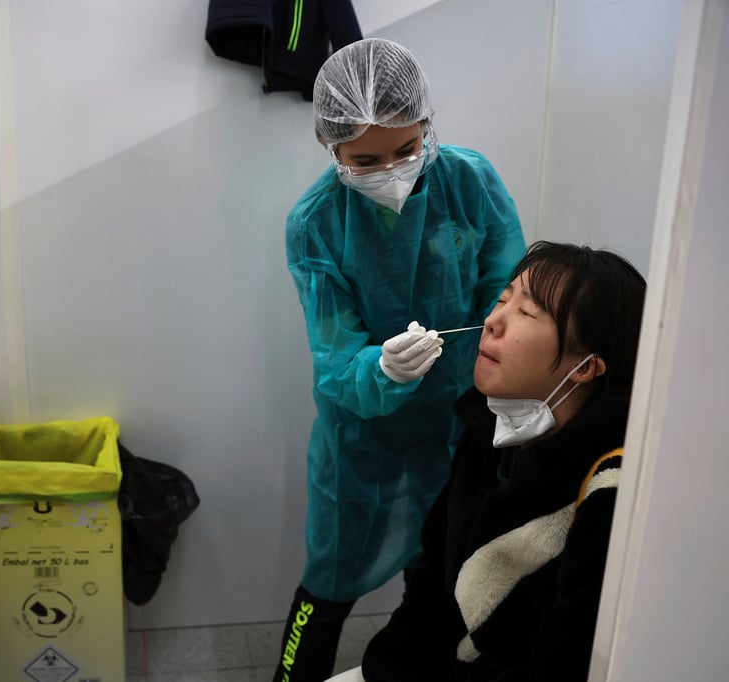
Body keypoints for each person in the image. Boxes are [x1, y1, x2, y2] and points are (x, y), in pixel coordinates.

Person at [274, 37, 527, 681]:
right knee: (329, 583)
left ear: (427, 126)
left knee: (441, 575)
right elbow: (336, 359)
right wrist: (380, 370)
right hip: (363, 441)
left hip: (462, 426)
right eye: (365, 159)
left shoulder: (471, 182)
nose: (392, 169)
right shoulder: (315, 224)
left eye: (407, 149)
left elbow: (505, 297)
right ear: (332, 149)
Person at [347, 241, 647, 681]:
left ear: (584, 367)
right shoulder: (490, 430)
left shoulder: (610, 490)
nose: (492, 321)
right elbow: (432, 580)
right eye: (502, 300)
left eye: (527, 313)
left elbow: (564, 657)